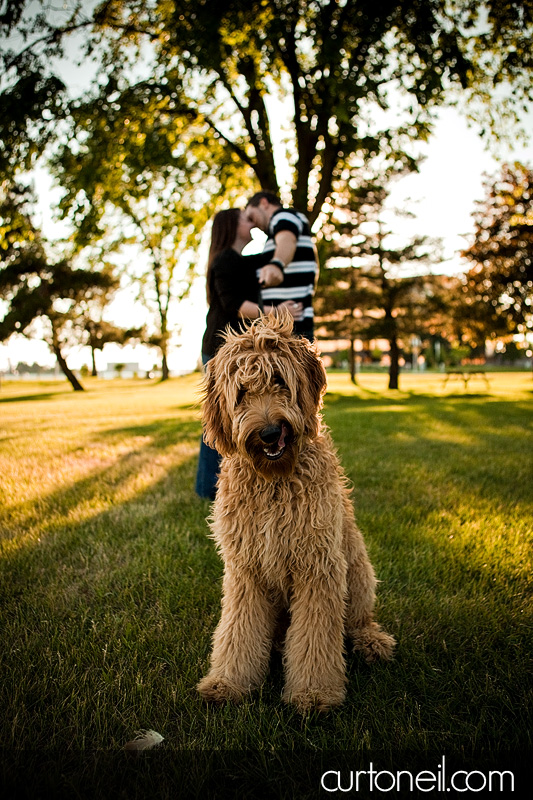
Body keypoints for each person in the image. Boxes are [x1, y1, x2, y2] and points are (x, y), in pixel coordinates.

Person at [195, 207, 302, 499]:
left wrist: (283, 229)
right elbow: (235, 306)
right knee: (217, 425)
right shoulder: (225, 260)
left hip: (240, 356)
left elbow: (273, 257)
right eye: (245, 218)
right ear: (231, 227)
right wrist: (275, 312)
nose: (251, 222)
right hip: (220, 353)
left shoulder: (240, 261)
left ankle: (219, 487)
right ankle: (209, 490)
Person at [245, 191, 319, 340]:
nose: (252, 225)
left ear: (264, 203)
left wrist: (277, 264)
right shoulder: (276, 229)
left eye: (252, 217)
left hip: (291, 330)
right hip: (287, 327)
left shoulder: (283, 216)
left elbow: (287, 239)